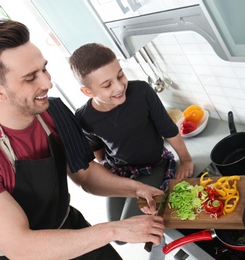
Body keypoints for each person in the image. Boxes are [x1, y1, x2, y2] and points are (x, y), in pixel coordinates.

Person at [0, 19, 165, 260]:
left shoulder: (54, 111)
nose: (47, 83)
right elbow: (21, 247)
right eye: (30, 78)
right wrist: (114, 229)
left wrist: (137, 189)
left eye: (44, 69)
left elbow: (86, 174)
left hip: (69, 227)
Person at [68, 43, 194, 256]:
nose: (118, 87)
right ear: (87, 91)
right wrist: (106, 168)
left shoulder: (142, 91)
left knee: (130, 228)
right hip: (119, 171)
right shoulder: (83, 117)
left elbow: (168, 129)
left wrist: (187, 160)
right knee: (119, 238)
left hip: (153, 165)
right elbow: (96, 148)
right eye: (107, 85)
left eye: (120, 76)